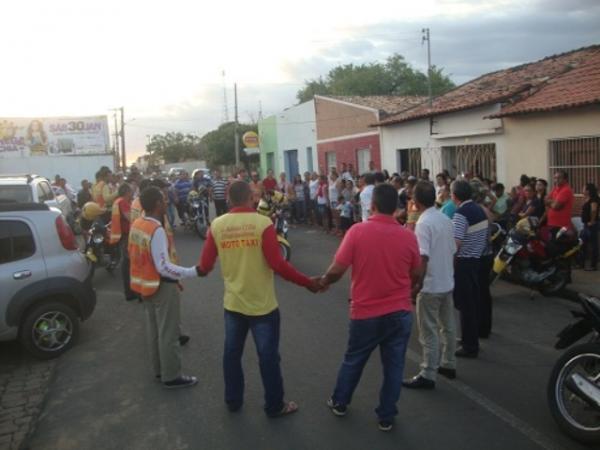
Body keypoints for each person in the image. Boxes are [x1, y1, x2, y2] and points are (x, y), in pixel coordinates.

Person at [197, 181, 321, 417]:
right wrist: (308, 283)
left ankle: (233, 400)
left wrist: (185, 271)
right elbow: (278, 265)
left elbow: (204, 266)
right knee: (268, 358)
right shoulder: (262, 223)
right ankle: (275, 405)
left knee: (231, 354)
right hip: (263, 306)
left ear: (231, 200)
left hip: (233, 304)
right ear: (249, 199)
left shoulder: (217, 225)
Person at [318, 183, 421, 432]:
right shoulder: (408, 236)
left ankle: (340, 402)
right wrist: (407, 291)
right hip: (399, 313)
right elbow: (417, 274)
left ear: (372, 205)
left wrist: (322, 282)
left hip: (366, 313)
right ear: (396, 209)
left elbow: (337, 270)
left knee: (354, 360)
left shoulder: (357, 232)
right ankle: (386, 416)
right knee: (394, 367)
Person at [128, 186, 202, 388]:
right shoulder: (156, 229)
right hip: (161, 286)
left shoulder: (137, 224)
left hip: (145, 286)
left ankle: (159, 371)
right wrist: (192, 272)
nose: (166, 201)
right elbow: (164, 267)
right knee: (168, 333)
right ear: (157, 204)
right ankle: (172, 375)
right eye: (163, 199)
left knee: (154, 331)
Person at [403, 182, 457, 390]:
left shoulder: (424, 223)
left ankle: (428, 373)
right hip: (446, 281)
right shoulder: (445, 218)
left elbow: (422, 257)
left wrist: (416, 285)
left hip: (431, 284)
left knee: (428, 331)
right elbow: (453, 252)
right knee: (448, 326)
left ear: (415, 202)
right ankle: (448, 363)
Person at [451, 180, 488, 358]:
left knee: (465, 305)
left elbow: (455, 244)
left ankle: (469, 345)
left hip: (464, 262)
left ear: (455, 196)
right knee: (472, 303)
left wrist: (451, 264)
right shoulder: (478, 209)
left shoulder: (461, 213)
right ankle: (469, 338)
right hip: (476, 260)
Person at [109, 183, 136, 301]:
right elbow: (129, 217)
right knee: (128, 263)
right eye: (130, 191)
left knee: (127, 262)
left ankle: (130, 291)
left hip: (122, 235)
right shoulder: (123, 202)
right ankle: (129, 292)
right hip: (125, 236)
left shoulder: (118, 201)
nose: (132, 192)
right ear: (126, 192)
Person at [578, 183, 599, 271]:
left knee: (593, 245)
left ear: (588, 190)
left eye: (584, 188)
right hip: (586, 224)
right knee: (582, 244)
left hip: (592, 225)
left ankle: (593, 265)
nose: (582, 190)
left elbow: (594, 210)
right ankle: (581, 263)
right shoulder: (587, 199)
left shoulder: (594, 199)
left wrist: (592, 221)